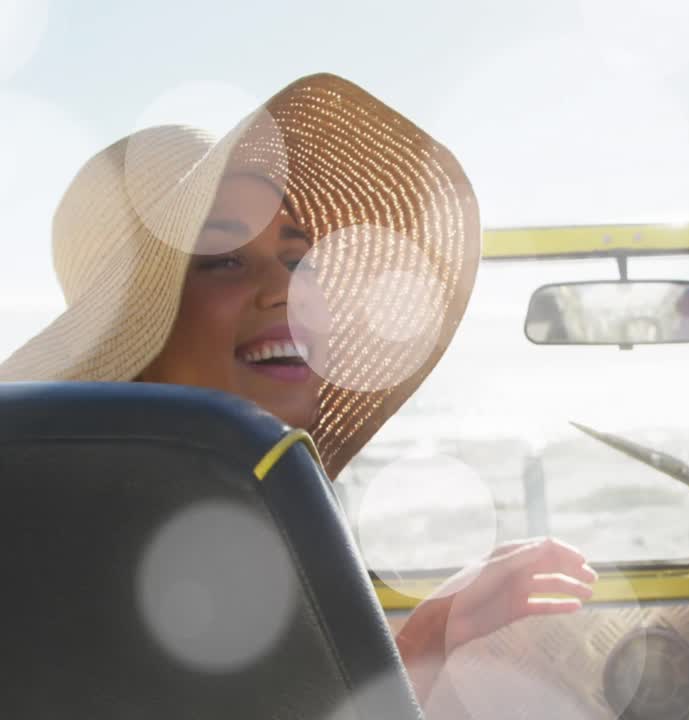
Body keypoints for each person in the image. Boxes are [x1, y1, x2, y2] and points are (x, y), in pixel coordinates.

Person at [0, 73, 597, 706]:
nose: (291, 287)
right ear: (134, 331)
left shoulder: (217, 528)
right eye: (223, 258)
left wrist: (428, 634)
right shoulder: (107, 560)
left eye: (296, 258)